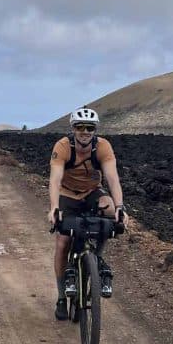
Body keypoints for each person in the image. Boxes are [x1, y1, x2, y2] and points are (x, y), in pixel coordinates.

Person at [48, 107, 129, 321]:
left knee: (110, 210)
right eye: (80, 127)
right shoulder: (63, 147)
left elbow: (112, 178)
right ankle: (61, 297)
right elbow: (55, 180)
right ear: (73, 128)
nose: (85, 131)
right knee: (63, 242)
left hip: (92, 192)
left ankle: (95, 258)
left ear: (95, 130)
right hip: (68, 194)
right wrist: (54, 208)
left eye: (89, 127)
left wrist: (120, 207)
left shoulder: (103, 147)